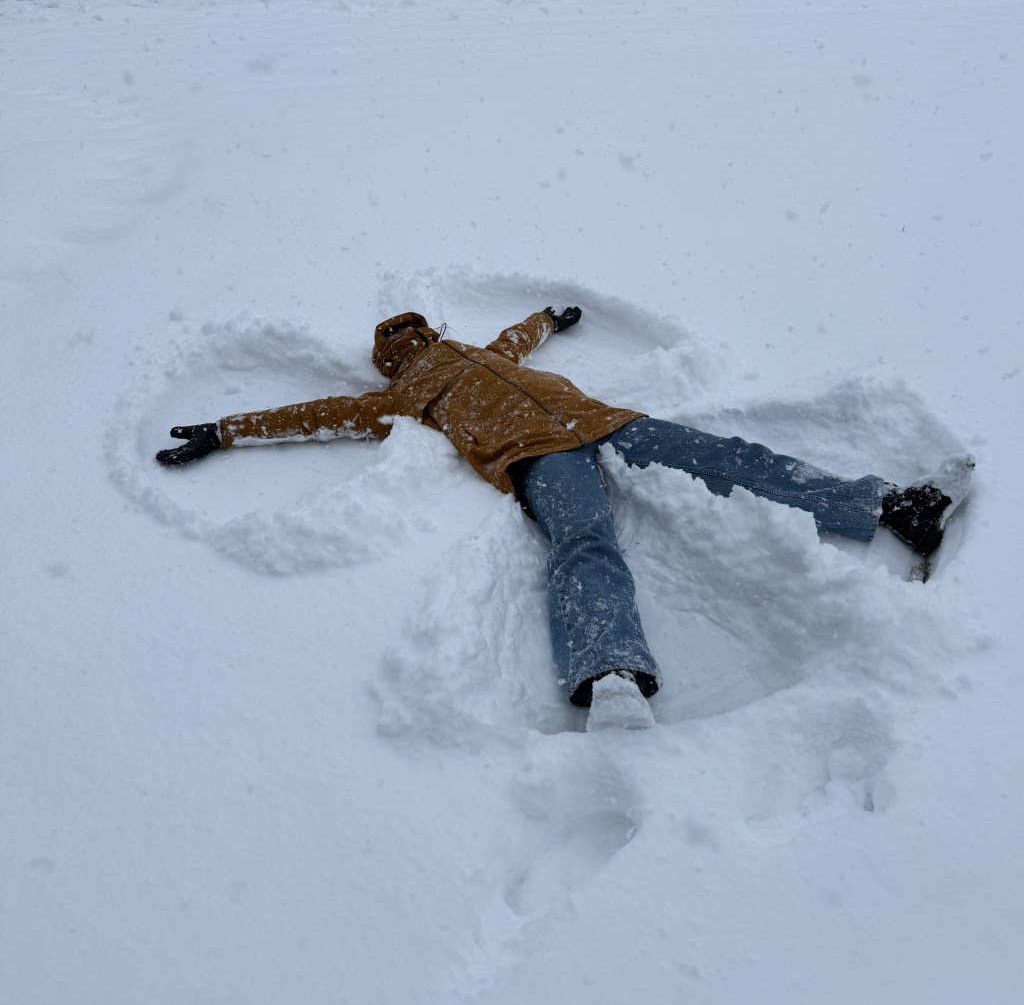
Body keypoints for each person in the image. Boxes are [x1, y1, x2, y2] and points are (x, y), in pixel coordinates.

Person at [156, 308, 974, 730]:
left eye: (414, 332)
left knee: (734, 457)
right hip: (536, 458)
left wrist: (547, 317)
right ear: (392, 362)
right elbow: (322, 410)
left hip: (606, 420)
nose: (411, 345)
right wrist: (227, 429)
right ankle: (609, 674)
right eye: (399, 344)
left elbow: (517, 335)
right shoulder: (401, 397)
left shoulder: (482, 352)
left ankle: (890, 506)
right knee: (583, 541)